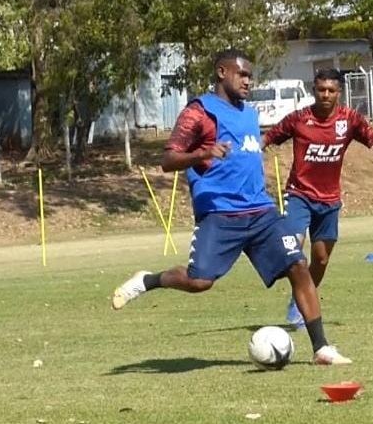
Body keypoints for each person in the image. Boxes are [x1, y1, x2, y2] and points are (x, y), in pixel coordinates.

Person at [111, 49, 351, 365]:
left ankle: (321, 348)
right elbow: (168, 160)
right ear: (222, 73)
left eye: (251, 75)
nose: (249, 80)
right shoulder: (200, 112)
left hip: (261, 212)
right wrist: (202, 154)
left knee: (298, 266)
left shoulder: (249, 114)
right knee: (199, 281)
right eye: (243, 74)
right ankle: (147, 280)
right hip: (221, 214)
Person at [262, 67, 373, 329]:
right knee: (294, 245)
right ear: (314, 90)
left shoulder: (349, 119)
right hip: (299, 194)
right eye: (321, 90)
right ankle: (298, 292)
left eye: (331, 90)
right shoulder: (299, 119)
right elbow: (268, 137)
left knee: (321, 259)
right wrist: (250, 152)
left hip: (329, 201)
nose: (325, 94)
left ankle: (299, 302)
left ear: (339, 92)